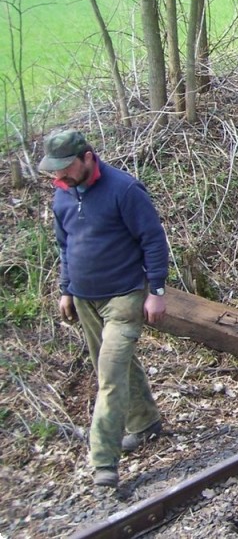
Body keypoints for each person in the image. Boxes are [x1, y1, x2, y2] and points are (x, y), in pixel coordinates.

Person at [39, 129, 168, 489]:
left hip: (124, 297)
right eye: (54, 171)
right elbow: (65, 246)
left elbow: (153, 240)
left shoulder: (123, 190)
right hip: (84, 299)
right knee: (116, 365)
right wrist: (66, 290)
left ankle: (103, 462)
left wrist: (156, 291)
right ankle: (145, 423)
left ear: (88, 157)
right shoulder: (62, 196)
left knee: (108, 377)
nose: (59, 177)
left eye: (65, 169)